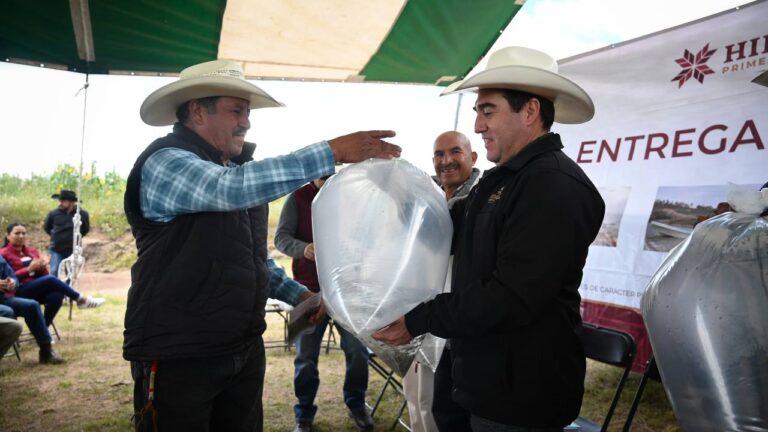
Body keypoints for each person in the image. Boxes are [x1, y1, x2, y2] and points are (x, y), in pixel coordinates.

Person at [124, 59, 400, 432]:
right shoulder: (167, 161)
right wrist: (330, 151)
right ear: (196, 112)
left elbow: (249, 257)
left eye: (248, 112)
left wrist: (298, 294)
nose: (247, 121)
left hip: (240, 347)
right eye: (236, 110)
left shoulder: (234, 170)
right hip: (181, 352)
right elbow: (228, 190)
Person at [373, 46, 605, 431]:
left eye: (487, 110)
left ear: (530, 111)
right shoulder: (502, 181)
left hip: (522, 394)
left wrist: (419, 319)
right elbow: (443, 234)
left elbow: (511, 297)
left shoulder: (552, 186)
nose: (478, 126)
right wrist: (393, 192)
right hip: (484, 378)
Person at [275, 175, 373, 432]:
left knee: (359, 352)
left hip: (347, 292)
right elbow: (281, 239)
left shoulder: (348, 197)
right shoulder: (296, 198)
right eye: (320, 173)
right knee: (305, 359)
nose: (326, 177)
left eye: (330, 172)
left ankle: (357, 404)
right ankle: (304, 413)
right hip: (306, 291)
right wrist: (304, 249)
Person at [402, 130, 479, 432]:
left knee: (452, 409)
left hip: (461, 321)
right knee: (426, 400)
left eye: (455, 152)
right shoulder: (425, 199)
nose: (446, 161)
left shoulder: (482, 198)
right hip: (425, 315)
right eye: (438, 154)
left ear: (473, 157)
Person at [0, 223, 105, 325]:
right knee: (51, 279)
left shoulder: (32, 251)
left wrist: (42, 266)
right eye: (17, 233)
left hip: (35, 288)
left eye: (24, 233)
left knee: (57, 295)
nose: (21, 236)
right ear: (8, 236)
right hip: (17, 290)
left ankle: (42, 328)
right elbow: (10, 277)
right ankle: (80, 299)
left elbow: (44, 276)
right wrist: (28, 270)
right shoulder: (3, 253)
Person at [0, 255, 64, 363]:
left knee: (32, 305)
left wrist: (12, 283)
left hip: (3, 298)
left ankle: (46, 352)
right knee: (7, 311)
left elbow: (13, 276)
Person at [44, 189, 90, 278]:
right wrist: (56, 237)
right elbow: (47, 227)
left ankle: (68, 291)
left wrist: (75, 238)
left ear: (72, 202)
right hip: (56, 248)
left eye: (63, 201)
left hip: (73, 249)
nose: (60, 203)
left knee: (71, 274)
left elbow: (85, 229)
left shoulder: (81, 214)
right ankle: (54, 291)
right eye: (60, 201)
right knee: (54, 270)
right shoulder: (53, 214)